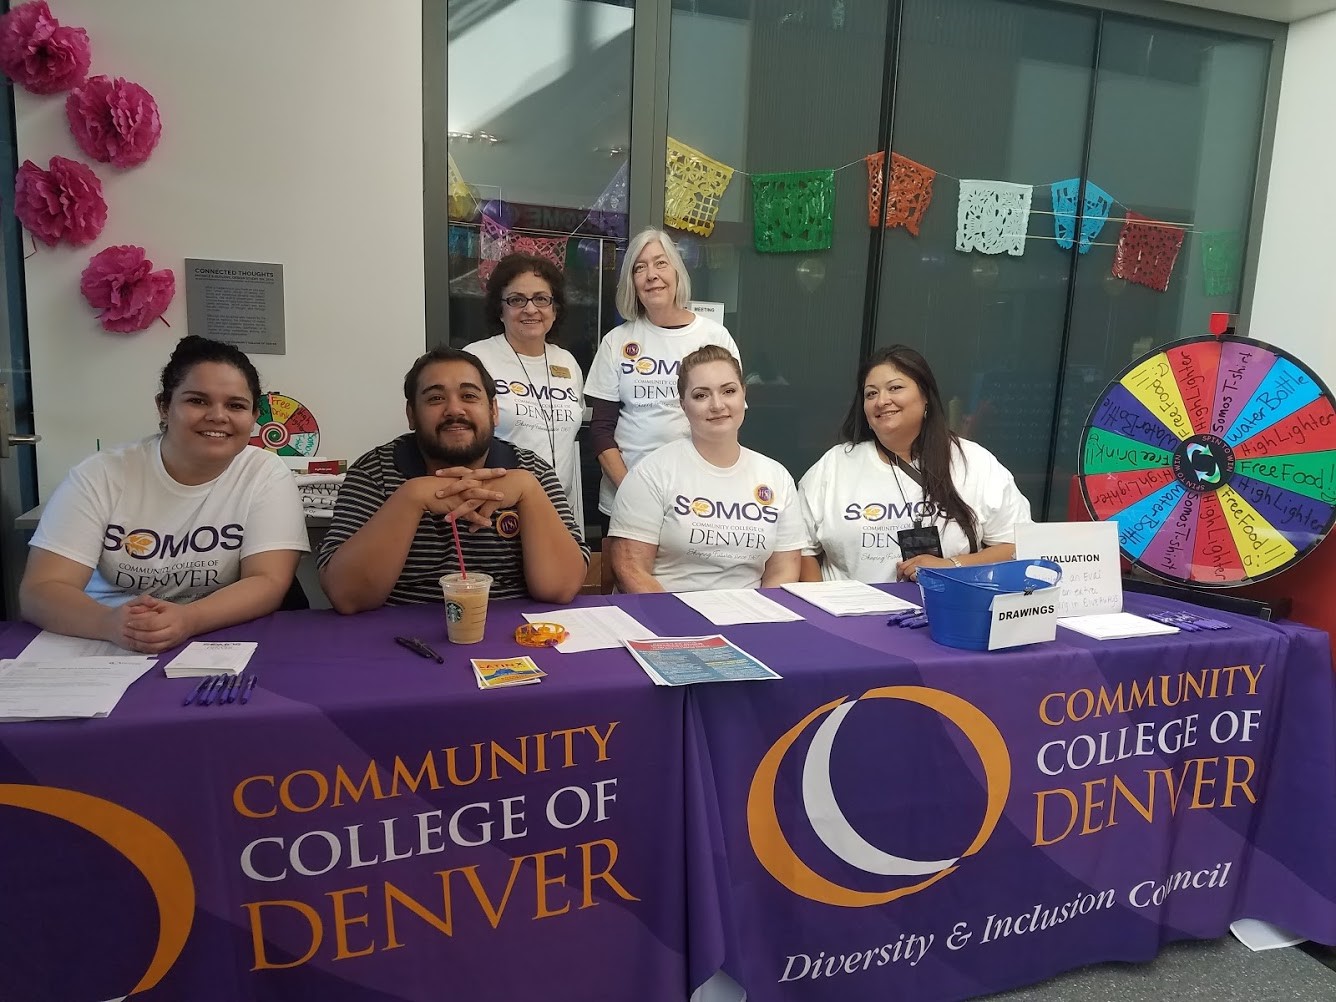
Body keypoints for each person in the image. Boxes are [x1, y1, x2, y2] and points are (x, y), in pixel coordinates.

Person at [20, 335, 309, 654]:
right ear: (164, 406)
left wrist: (188, 619)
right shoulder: (101, 474)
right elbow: (41, 590)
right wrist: (112, 624)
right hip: (105, 638)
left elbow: (267, 581)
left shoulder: (265, 472)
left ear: (255, 416)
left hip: (214, 634)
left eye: (235, 405)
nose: (217, 415)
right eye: (197, 400)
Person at [318, 346, 588, 612]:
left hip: (513, 638)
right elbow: (348, 597)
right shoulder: (373, 472)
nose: (454, 410)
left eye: (469, 396)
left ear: (493, 410)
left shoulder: (533, 471)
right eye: (435, 399)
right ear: (411, 414)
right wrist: (411, 498)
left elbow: (561, 588)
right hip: (399, 640)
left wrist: (529, 492)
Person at [799, 344, 1031, 584]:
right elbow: (803, 549)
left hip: (946, 612)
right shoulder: (835, 465)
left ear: (926, 398)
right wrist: (822, 607)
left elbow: (1016, 545)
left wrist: (951, 566)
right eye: (871, 393)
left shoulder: (975, 462)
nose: (881, 401)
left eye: (895, 388)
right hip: (850, 617)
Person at [609, 345, 804, 593]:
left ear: (744, 395)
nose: (717, 405)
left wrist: (761, 623)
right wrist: (682, 625)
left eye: (729, 391)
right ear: (683, 404)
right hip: (669, 621)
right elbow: (630, 570)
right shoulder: (651, 473)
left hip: (749, 619)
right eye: (701, 395)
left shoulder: (777, 478)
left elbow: (783, 571)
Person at [586, 227, 741, 519]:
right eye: (639, 267)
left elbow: (728, 421)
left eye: (661, 263)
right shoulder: (616, 342)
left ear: (677, 272)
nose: (651, 275)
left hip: (697, 499)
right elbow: (601, 431)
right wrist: (632, 490)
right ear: (632, 281)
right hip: (627, 496)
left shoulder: (714, 337)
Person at [469, 253, 586, 528]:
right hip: (495, 510)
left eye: (541, 299)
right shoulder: (476, 360)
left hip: (558, 509)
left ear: (555, 309)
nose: (530, 309)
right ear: (500, 309)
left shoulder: (567, 363)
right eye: (517, 299)